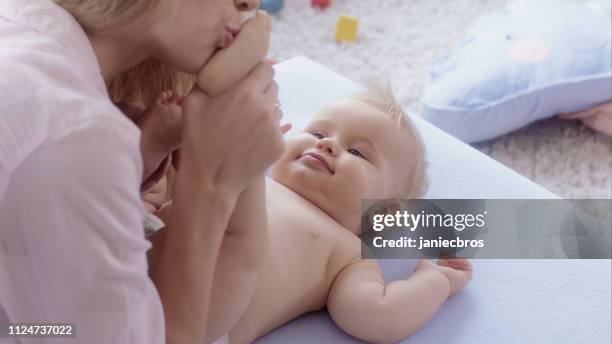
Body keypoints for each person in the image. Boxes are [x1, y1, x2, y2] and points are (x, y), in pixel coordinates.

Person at [0, 0, 285, 343]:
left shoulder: (21, 23)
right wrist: (210, 183)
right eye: (319, 133)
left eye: (359, 152)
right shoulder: (74, 134)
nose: (250, 4)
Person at [153, 82, 474, 343]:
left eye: (357, 152)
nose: (327, 145)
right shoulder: (256, 180)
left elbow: (378, 314)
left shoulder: (347, 252)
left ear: (382, 210)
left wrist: (435, 280)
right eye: (319, 133)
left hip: (192, 320)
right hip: (131, 257)